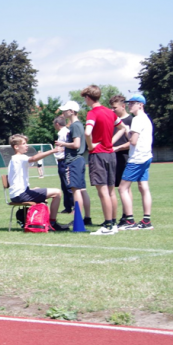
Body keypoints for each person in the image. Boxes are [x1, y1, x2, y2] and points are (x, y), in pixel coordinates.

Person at [81, 85, 125, 235]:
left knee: (103, 192)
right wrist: (111, 142)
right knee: (111, 191)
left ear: (88, 97)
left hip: (98, 155)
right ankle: (113, 223)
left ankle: (107, 226)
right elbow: (123, 128)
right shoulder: (109, 112)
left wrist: (90, 145)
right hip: (110, 154)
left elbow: (87, 132)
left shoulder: (92, 113)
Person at [7, 134, 66, 231]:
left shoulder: (14, 159)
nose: (27, 145)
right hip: (20, 195)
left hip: (16, 194)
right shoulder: (19, 158)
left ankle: (39, 220)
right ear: (16, 147)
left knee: (38, 189)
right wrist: (53, 151)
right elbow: (34, 158)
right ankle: (52, 223)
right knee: (57, 192)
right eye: (24, 143)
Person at [117, 94, 154, 230]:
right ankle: (146, 221)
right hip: (146, 156)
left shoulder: (137, 120)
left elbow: (133, 141)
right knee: (143, 187)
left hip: (137, 158)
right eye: (129, 103)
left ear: (140, 105)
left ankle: (130, 221)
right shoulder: (146, 119)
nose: (129, 105)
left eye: (133, 103)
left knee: (122, 188)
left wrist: (126, 130)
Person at [55, 101, 92, 227]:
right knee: (82, 190)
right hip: (79, 159)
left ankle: (78, 219)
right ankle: (87, 217)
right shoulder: (78, 125)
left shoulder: (75, 126)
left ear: (71, 111)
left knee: (76, 191)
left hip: (74, 160)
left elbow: (76, 144)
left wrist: (63, 144)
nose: (63, 112)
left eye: (65, 110)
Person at [109, 95, 134, 227]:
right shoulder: (114, 121)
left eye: (115, 108)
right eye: (111, 108)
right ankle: (111, 218)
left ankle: (127, 215)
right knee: (112, 187)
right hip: (112, 157)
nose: (112, 111)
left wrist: (117, 148)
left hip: (124, 157)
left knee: (126, 188)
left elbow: (133, 142)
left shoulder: (130, 120)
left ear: (123, 106)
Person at [53, 116, 74, 214]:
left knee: (68, 185)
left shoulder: (64, 133)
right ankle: (68, 207)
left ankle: (73, 207)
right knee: (64, 185)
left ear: (57, 124)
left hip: (64, 161)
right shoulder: (63, 132)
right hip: (61, 161)